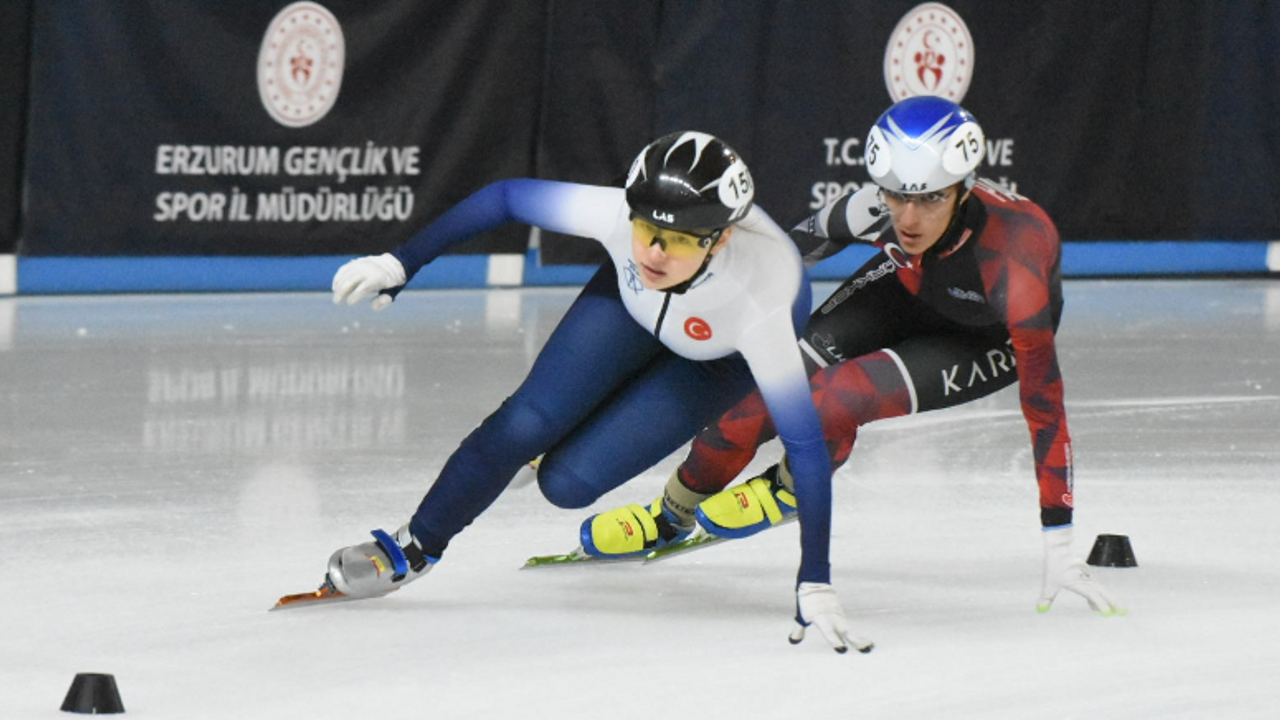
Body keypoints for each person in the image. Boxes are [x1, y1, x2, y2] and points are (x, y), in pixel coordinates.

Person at [320, 131, 870, 652]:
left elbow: (803, 445)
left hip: (715, 358)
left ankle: (541, 456)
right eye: (645, 228)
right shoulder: (623, 224)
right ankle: (415, 546)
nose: (654, 252)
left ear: (721, 237)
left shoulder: (762, 304)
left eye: (677, 240)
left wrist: (815, 579)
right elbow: (506, 196)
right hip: (631, 306)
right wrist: (400, 262)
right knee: (523, 424)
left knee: (567, 484)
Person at [585, 96, 1122, 618]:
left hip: (983, 337)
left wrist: (1059, 539)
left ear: (962, 189)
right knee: (756, 394)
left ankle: (790, 486)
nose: (909, 218)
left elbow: (1046, 408)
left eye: (930, 198)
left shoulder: (1015, 262)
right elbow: (779, 257)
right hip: (906, 290)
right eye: (896, 195)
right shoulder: (871, 211)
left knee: (834, 396)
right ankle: (670, 515)